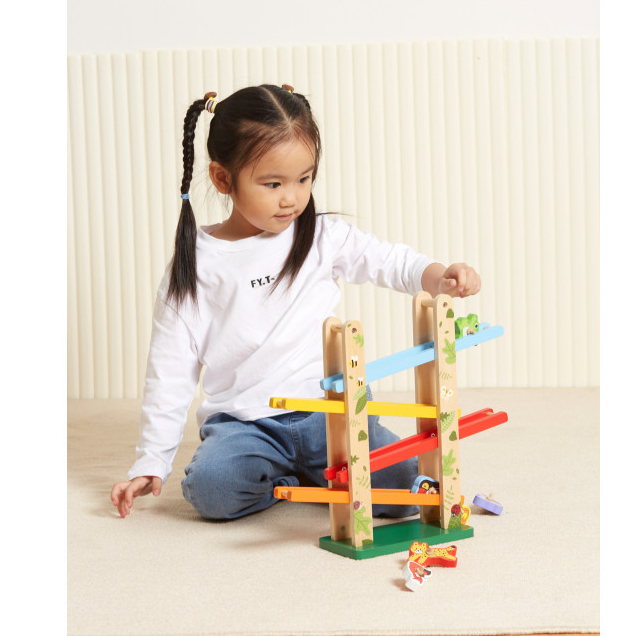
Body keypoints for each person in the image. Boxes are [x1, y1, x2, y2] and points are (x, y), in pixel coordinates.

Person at [110, 84, 481, 521]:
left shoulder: (322, 237)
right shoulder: (197, 263)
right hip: (246, 427)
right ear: (223, 179)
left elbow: (388, 261)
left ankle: (320, 474)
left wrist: (437, 276)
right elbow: (169, 368)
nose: (292, 198)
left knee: (406, 484)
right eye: (273, 184)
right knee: (211, 490)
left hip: (332, 415)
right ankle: (295, 481)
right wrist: (151, 459)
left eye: (304, 179)